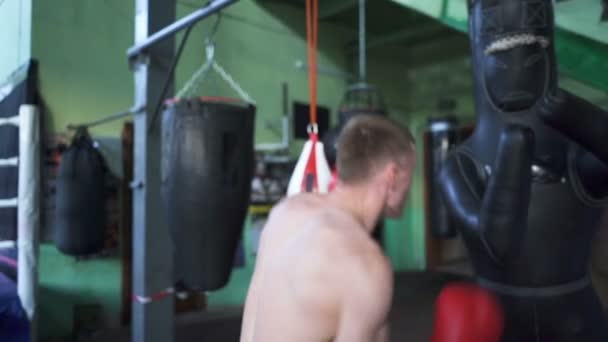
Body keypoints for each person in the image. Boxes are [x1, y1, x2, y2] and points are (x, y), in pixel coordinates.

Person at [240, 115, 416, 342]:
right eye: (410, 173)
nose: (410, 187)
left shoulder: (285, 212)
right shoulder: (366, 264)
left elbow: (252, 318)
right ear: (392, 177)